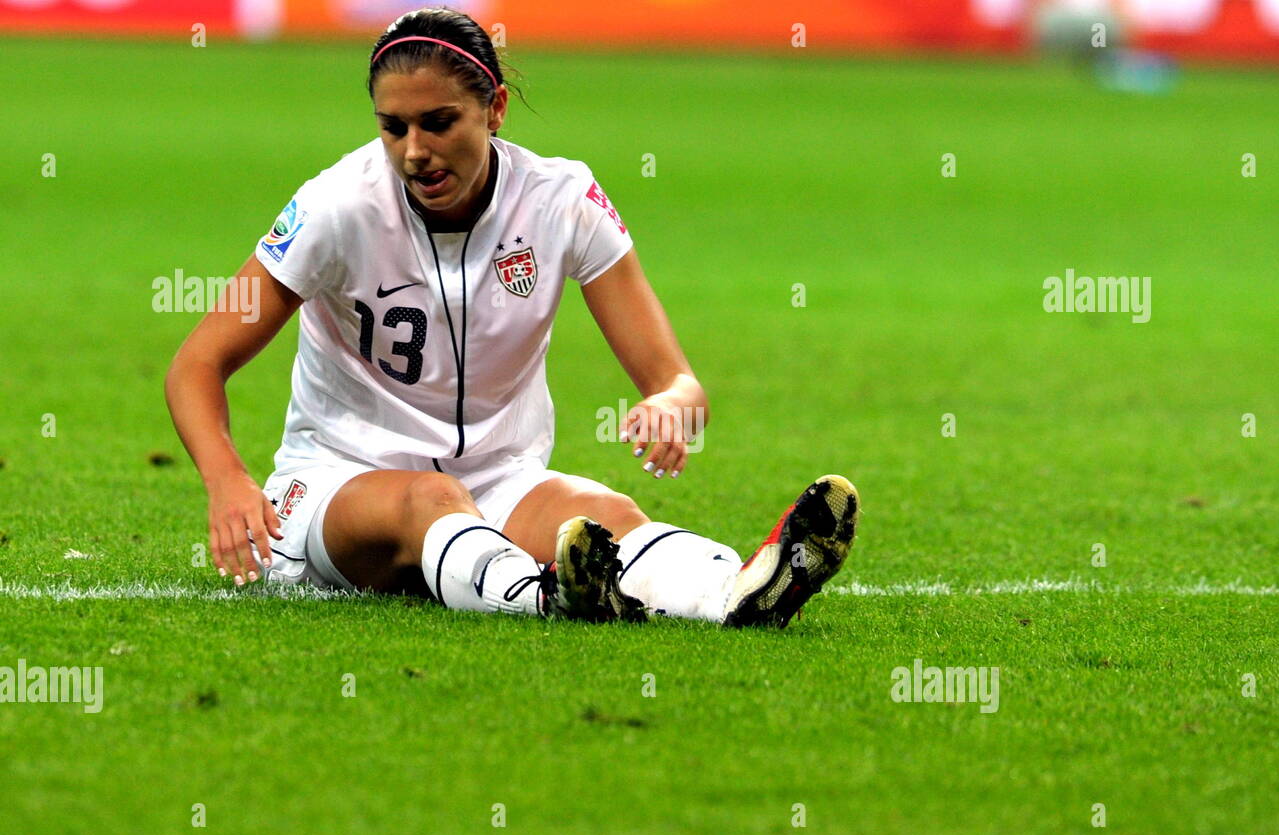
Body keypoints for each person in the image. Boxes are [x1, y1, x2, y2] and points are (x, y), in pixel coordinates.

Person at [164, 6, 858, 627]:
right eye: (393, 127)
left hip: (498, 479)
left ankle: (735, 594)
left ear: (494, 108)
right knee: (431, 497)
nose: (413, 150)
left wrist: (671, 406)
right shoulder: (335, 208)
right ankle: (548, 595)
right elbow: (198, 362)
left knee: (608, 516)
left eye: (439, 122)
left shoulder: (559, 200)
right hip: (335, 485)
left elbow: (675, 380)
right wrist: (227, 479)